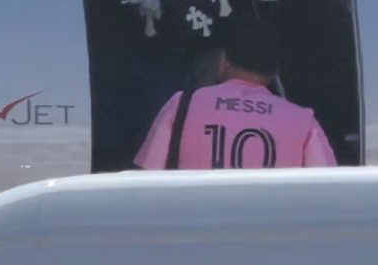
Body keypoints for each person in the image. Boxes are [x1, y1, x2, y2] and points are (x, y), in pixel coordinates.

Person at [133, 18, 338, 170]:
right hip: (270, 226)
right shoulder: (302, 120)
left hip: (197, 224)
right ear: (274, 72)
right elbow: (326, 189)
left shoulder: (182, 105)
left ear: (223, 61)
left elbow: (148, 179)